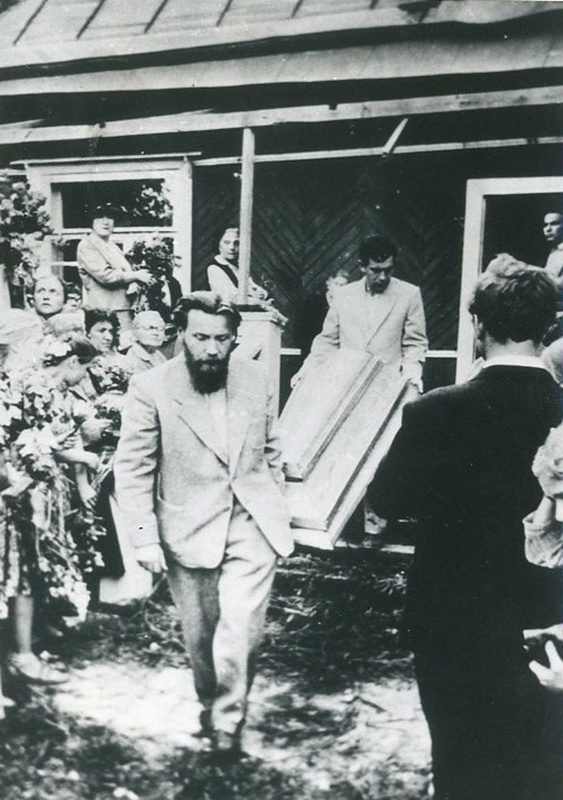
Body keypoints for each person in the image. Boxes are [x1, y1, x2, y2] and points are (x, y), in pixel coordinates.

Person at [368, 261, 562, 800]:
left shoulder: (435, 412)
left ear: (478, 324)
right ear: (549, 325)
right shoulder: (558, 407)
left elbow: (387, 500)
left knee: (460, 760)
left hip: (451, 615)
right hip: (548, 611)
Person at [113, 291, 293, 754]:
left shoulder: (255, 378)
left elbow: (271, 445)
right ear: (181, 335)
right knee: (202, 636)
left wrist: (276, 498)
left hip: (251, 521)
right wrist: (143, 538)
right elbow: (133, 467)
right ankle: (209, 701)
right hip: (187, 526)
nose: (212, 349)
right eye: (200, 337)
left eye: (222, 339)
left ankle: (228, 720)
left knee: (240, 624)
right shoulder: (151, 387)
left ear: (234, 339)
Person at [6, 335, 100, 684]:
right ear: (72, 361)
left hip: (41, 485)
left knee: (37, 562)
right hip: (25, 487)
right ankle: (23, 650)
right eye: (84, 368)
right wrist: (83, 457)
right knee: (27, 563)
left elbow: (59, 437)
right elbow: (35, 443)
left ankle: (35, 632)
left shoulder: (48, 389)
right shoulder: (34, 388)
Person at [291, 234, 427, 390]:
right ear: (363, 267)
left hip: (387, 386)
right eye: (376, 270)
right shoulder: (343, 295)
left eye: (388, 270)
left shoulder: (409, 294)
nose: (383, 277)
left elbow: (415, 343)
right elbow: (327, 341)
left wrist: (411, 375)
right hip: (345, 384)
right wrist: (307, 370)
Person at [76, 205, 153, 337]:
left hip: (123, 307)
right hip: (103, 309)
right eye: (99, 217)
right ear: (91, 221)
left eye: (110, 217)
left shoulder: (112, 246)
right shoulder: (87, 245)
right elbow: (106, 276)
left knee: (126, 343)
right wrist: (136, 275)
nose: (105, 222)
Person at [294, 268, 351, 363]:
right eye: (336, 284)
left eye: (343, 285)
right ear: (329, 284)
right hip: (313, 353)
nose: (339, 288)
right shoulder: (313, 303)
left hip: (337, 356)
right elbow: (300, 329)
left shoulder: (348, 307)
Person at [206, 227, 269, 305]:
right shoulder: (214, 268)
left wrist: (262, 294)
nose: (232, 247)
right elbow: (231, 297)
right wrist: (254, 296)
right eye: (227, 242)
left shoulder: (239, 266)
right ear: (219, 245)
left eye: (236, 243)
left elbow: (253, 287)